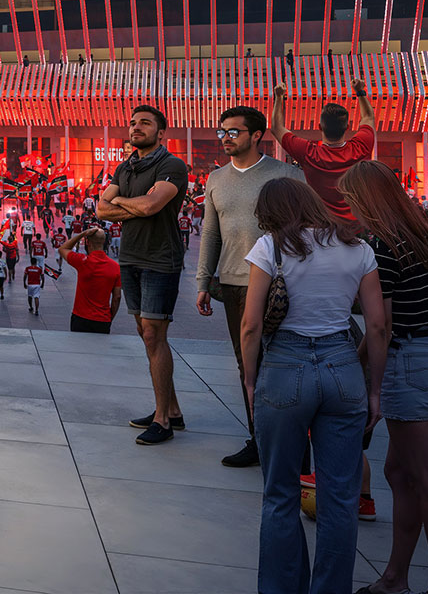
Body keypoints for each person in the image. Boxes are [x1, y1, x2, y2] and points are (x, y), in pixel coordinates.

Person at [238, 177, 387, 594]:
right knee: (340, 498)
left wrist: (251, 380)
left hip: (285, 364)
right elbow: (377, 325)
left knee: (280, 491)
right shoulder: (359, 249)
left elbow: (250, 325)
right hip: (342, 363)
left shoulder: (270, 247)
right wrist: (374, 390)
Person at [340, 162, 428, 594]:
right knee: (399, 472)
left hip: (408, 360)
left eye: (352, 199)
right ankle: (395, 576)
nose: (349, 206)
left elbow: (380, 327)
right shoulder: (426, 236)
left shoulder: (384, 247)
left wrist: (368, 380)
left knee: (426, 479)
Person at [196, 105, 302, 469]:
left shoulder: (287, 175)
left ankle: (292, 442)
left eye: (234, 132)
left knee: (286, 361)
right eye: (222, 131)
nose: (226, 138)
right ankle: (258, 438)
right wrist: (203, 280)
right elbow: (211, 233)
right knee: (248, 364)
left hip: (283, 282)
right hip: (234, 283)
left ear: (257, 135)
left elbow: (307, 229)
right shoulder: (216, 180)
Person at [96, 105, 191, 446]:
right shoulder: (126, 166)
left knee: (154, 335)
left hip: (160, 259)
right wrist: (131, 202)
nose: (136, 128)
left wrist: (122, 200)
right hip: (131, 257)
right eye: (133, 123)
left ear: (161, 132)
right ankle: (173, 410)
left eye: (145, 123)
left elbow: (153, 207)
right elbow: (101, 209)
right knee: (146, 333)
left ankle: (162, 420)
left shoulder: (172, 165)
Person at [271, 80, 376, 222]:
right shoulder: (361, 147)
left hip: (322, 226)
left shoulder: (308, 153)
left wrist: (279, 97)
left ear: (320, 127)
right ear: (348, 126)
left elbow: (277, 128)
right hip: (357, 227)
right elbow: (368, 117)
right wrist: (360, 91)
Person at [59, 228, 121, 333]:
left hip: (80, 317)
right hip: (103, 319)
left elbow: (63, 249)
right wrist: (110, 318)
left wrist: (82, 234)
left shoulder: (82, 261)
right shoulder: (115, 267)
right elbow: (117, 297)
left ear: (88, 242)